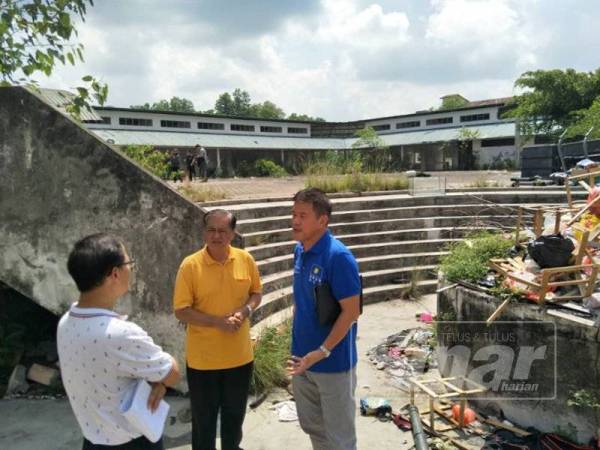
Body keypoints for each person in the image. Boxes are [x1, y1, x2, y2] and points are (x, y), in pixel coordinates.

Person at [56, 233, 181, 450]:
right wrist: (160, 382)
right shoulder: (121, 334)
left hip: (93, 440)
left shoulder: (66, 322)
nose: (130, 269)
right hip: (132, 442)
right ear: (115, 274)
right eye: (128, 263)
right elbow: (173, 372)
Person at [173, 209, 262, 450]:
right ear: (204, 232)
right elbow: (181, 310)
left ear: (233, 233)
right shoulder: (190, 266)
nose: (216, 236)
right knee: (204, 424)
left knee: (234, 420)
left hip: (240, 358)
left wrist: (244, 312)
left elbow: (256, 293)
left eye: (223, 231)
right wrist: (216, 322)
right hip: (203, 362)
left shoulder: (246, 260)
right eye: (211, 230)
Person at [288, 188, 361, 450]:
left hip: (333, 365)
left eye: (303, 216)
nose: (295, 221)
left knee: (339, 436)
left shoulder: (338, 257)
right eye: (294, 214)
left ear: (322, 220)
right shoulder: (300, 250)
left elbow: (351, 312)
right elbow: (302, 302)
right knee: (314, 428)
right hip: (301, 359)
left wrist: (321, 351)